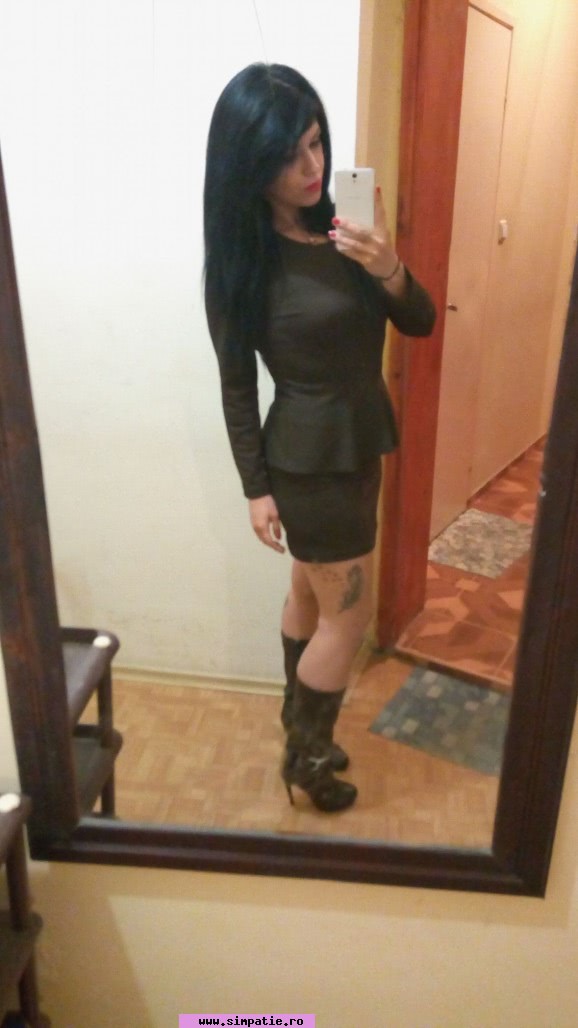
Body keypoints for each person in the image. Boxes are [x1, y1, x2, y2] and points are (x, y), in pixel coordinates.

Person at [204, 63, 436, 813]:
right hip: (309, 465)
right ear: (248, 166)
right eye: (287, 155)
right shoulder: (244, 265)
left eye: (316, 142)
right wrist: (255, 489)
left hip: (356, 445)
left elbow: (420, 320)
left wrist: (387, 264)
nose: (311, 166)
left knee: (309, 591)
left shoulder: (345, 231)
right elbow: (237, 386)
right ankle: (305, 757)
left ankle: (296, 728)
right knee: (350, 616)